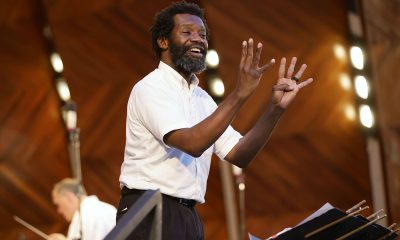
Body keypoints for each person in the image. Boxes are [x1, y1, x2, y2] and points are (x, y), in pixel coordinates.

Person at [117, 1, 313, 239]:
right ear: (163, 41)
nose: (198, 39)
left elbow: (239, 154)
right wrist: (240, 94)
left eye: (203, 34)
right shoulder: (150, 88)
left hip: (188, 214)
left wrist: (275, 109)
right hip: (149, 210)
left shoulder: (202, 99)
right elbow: (192, 143)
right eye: (187, 32)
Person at [48, 178, 117, 240]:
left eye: (58, 204)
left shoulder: (97, 213)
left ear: (69, 197)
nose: (59, 210)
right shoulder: (83, 216)